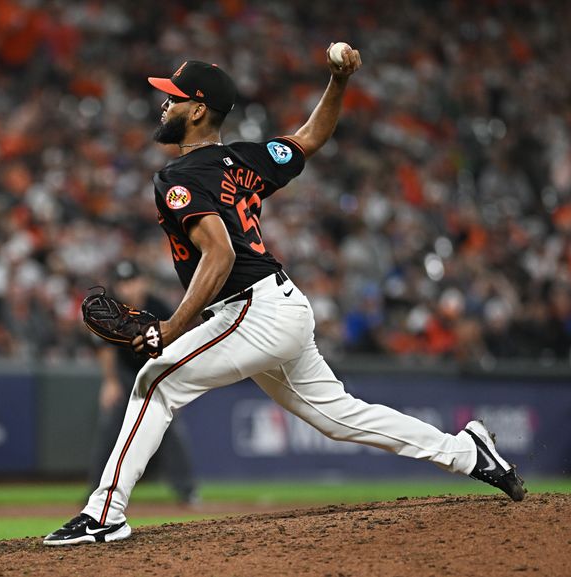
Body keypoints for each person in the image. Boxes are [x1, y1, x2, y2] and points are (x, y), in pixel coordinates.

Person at [44, 43, 525, 546]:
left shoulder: (178, 177)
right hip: (278, 305)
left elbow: (221, 256)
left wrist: (170, 328)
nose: (163, 104)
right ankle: (468, 452)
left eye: (173, 97)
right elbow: (310, 138)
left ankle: (104, 513)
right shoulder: (244, 160)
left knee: (156, 379)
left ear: (199, 109)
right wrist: (338, 82)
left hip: (254, 308)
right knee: (338, 417)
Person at [88, 260, 198, 505]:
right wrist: (110, 382)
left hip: (155, 375)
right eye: (123, 283)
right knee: (110, 430)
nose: (128, 288)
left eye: (132, 281)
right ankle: (95, 495)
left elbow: (175, 348)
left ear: (144, 282)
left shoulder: (158, 307)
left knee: (171, 431)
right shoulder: (112, 309)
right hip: (126, 375)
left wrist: (174, 386)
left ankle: (187, 491)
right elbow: (106, 349)